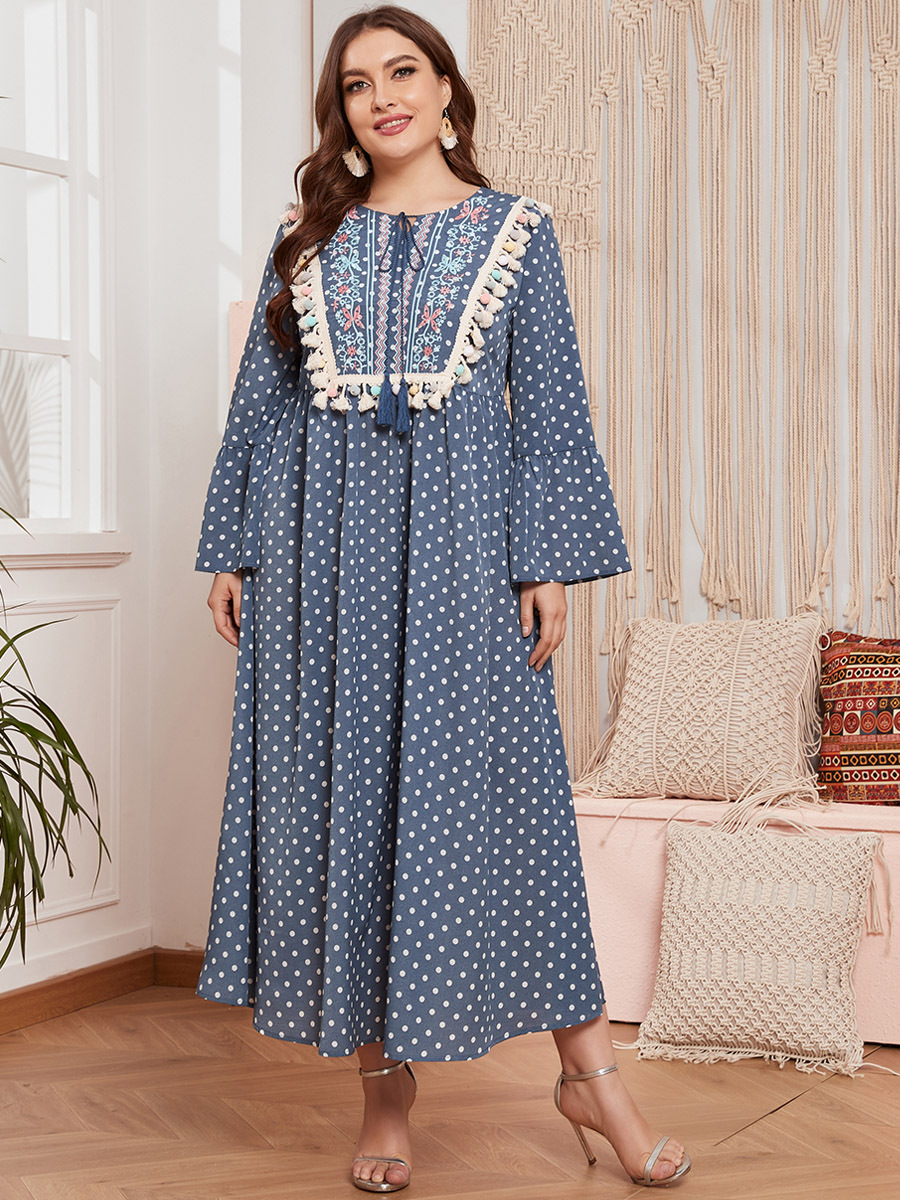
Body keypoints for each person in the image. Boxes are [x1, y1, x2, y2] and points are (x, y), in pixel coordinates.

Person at [194, 4, 690, 1193]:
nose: (383, 97)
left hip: (467, 558)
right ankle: (386, 1095)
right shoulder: (304, 242)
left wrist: (545, 559)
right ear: (342, 111)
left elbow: (550, 406)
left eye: (403, 71)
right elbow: (261, 405)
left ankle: (591, 1075)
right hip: (317, 567)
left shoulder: (517, 231)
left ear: (447, 90)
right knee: (349, 809)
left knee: (515, 813)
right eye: (357, 83)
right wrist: (232, 551)